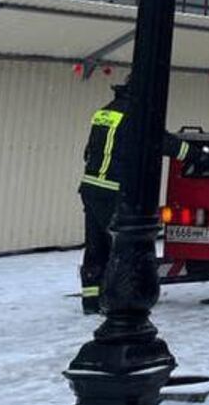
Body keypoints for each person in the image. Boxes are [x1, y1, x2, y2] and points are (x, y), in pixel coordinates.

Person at [79, 85, 189, 314]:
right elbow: (159, 142)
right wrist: (195, 154)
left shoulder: (105, 112)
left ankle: (90, 300)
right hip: (113, 190)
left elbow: (88, 152)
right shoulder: (135, 116)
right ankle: (121, 295)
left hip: (90, 187)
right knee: (124, 245)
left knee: (95, 244)